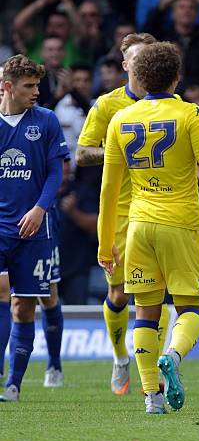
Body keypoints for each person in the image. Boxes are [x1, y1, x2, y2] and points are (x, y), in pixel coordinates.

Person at [97, 41, 199, 414]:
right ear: (177, 77)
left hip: (137, 227)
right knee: (191, 310)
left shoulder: (120, 119)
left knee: (145, 313)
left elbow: (108, 191)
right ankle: (173, 354)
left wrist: (106, 245)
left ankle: (152, 397)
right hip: (181, 225)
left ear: (137, 76)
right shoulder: (189, 115)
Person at [75, 33, 167, 396]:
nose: (141, 63)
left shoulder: (169, 105)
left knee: (156, 293)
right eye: (135, 58)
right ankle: (119, 355)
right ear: (125, 64)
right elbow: (82, 154)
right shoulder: (106, 105)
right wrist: (117, 154)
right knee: (118, 293)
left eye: (148, 56)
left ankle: (154, 367)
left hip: (160, 206)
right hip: (120, 211)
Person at [0, 54, 69, 401]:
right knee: (3, 295)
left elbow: (56, 171)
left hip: (36, 226)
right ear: (7, 87)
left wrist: (41, 209)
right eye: (29, 86)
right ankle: (5, 379)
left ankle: (22, 379)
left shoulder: (45, 121)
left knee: (31, 303)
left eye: (37, 85)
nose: (36, 92)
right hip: (1, 227)